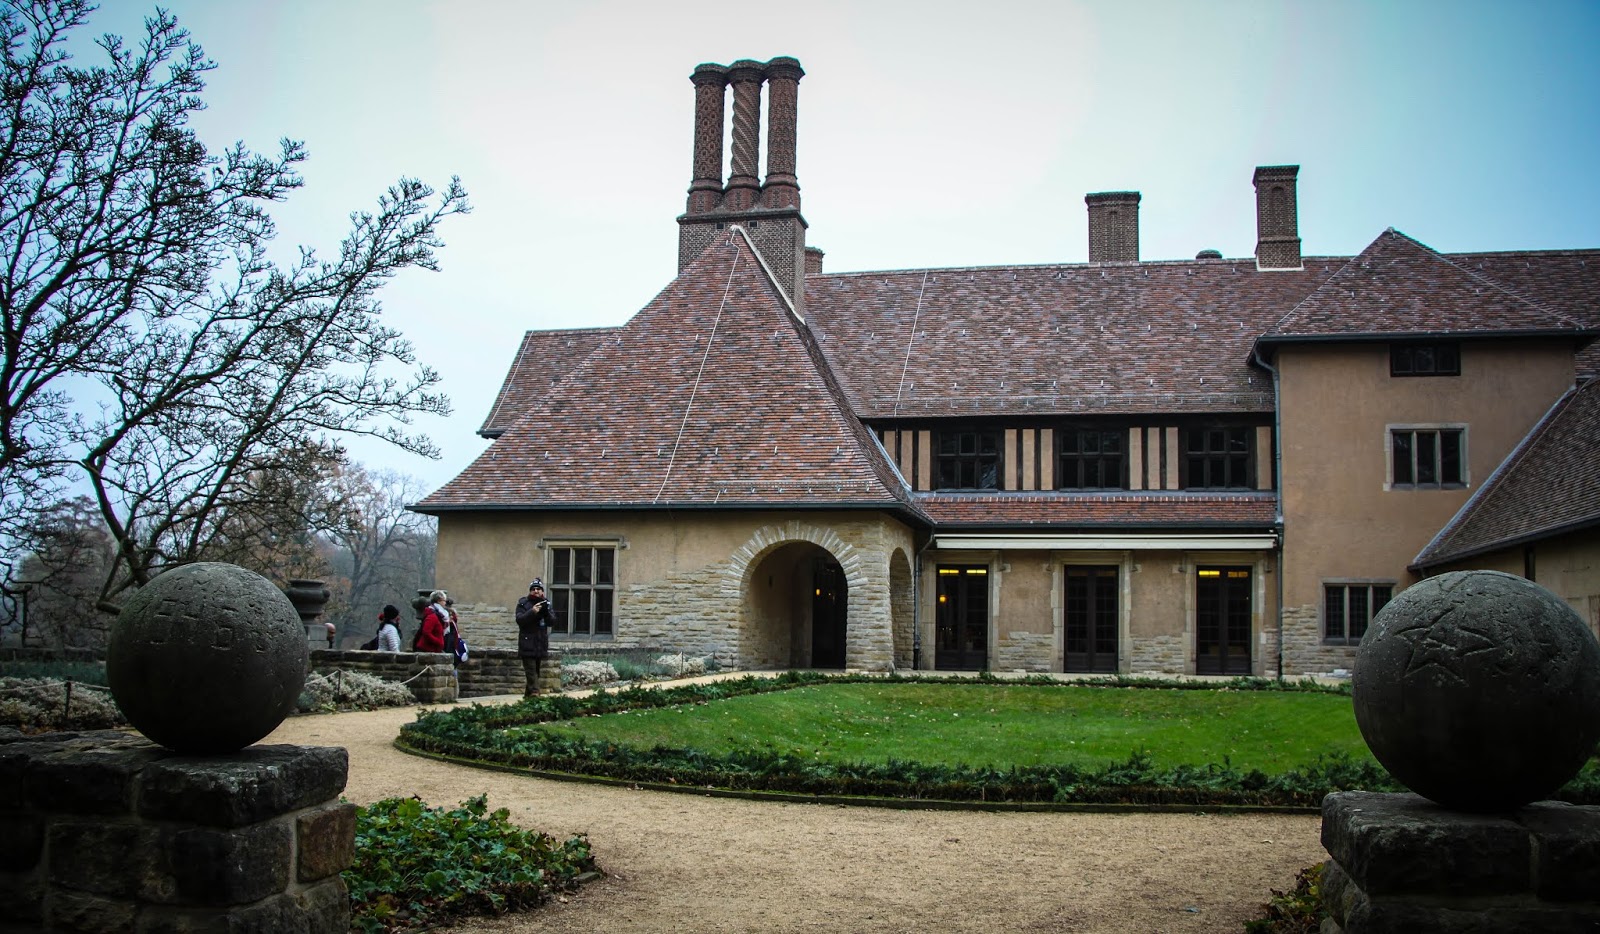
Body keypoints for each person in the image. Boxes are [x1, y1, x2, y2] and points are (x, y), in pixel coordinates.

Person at [514, 578, 557, 696]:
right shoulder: (523, 604)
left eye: (538, 589)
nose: (536, 591)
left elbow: (552, 622)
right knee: (531, 672)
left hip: (540, 644)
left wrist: (545, 612)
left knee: (535, 672)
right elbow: (520, 620)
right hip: (527, 644)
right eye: (533, 589)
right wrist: (532, 611)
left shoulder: (546, 604)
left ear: (542, 591)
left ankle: (528, 697)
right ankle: (535, 693)